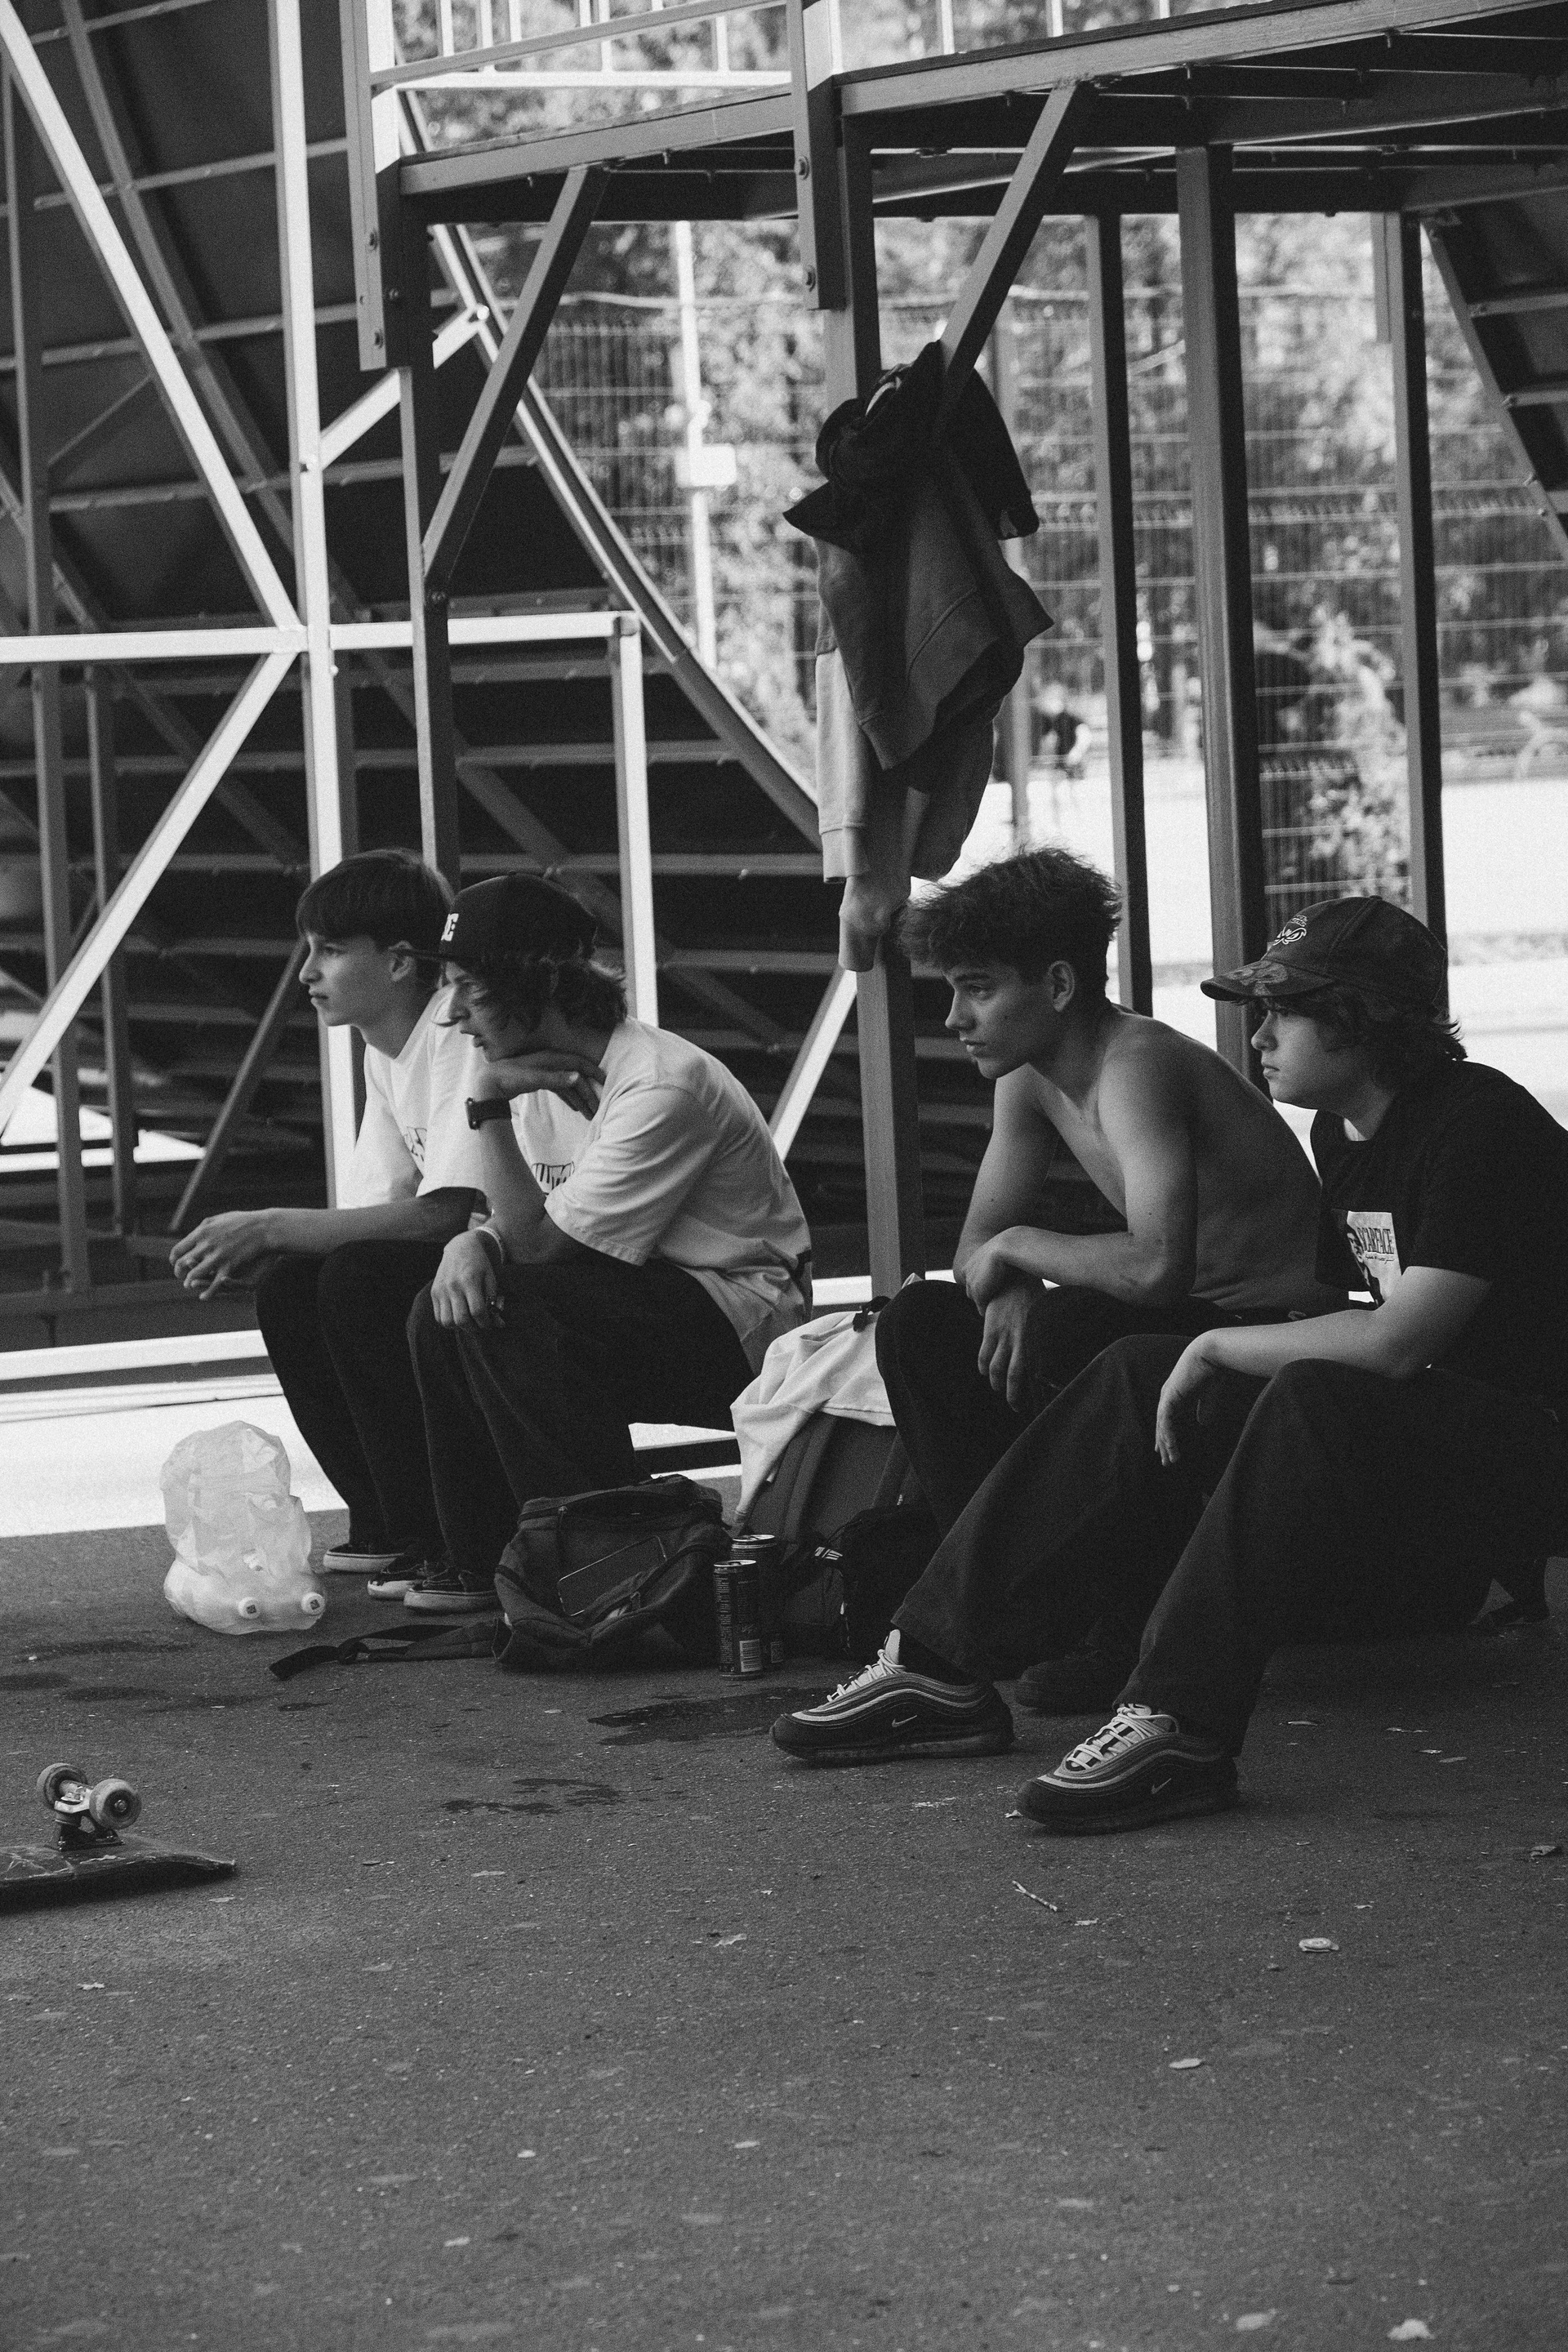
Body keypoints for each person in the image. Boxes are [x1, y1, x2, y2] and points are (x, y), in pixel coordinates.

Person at [773, 898, 1568, 1833]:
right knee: (1136, 1367)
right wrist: (1196, 1358)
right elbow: (1355, 1326)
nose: (1258, 1037)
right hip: (1435, 1443)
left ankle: (1176, 1723)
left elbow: (1398, 1341)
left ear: (1363, 1020)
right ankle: (935, 1665)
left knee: (1299, 1387)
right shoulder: (1342, 1136)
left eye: (1284, 1014)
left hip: (1535, 1456)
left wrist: (1218, 1344)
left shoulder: (1481, 1123)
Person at [874, 845, 1341, 1707]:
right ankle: (1018, 1609)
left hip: (1267, 1333)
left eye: (977, 989)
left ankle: (1115, 1627)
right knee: (921, 1324)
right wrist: (1012, 1278)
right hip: (1181, 1316)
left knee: (1089, 1340)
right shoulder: (1028, 1081)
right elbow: (974, 1254)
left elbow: (1158, 1267)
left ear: (1057, 985)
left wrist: (1022, 1248)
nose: (954, 1018)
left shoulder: (1137, 1065)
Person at [171, 851, 590, 1592]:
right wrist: (283, 1243)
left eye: (330, 950)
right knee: (294, 1285)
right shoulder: (384, 1051)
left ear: (398, 962)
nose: (308, 973)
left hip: (535, 1251)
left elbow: (442, 1216)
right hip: (485, 1250)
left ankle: (437, 1526)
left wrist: (269, 1225)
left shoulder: (456, 1036)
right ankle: (389, 1518)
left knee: (358, 1280)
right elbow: (377, 1208)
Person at [402, 874, 813, 1614]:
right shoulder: (537, 1072)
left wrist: (486, 1107)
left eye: (469, 989)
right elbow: (530, 1225)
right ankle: (485, 1561)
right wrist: (472, 1244)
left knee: (516, 1311)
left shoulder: (659, 1084)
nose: (451, 1015)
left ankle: (607, 1565)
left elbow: (540, 1249)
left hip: (742, 1322)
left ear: (538, 984)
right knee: (444, 1308)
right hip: (634, 1292)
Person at [1034, 679, 1092, 775]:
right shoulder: (1047, 720)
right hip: (1059, 768)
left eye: (1051, 698)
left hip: (1072, 767)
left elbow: (1084, 733)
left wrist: (1076, 752)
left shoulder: (1068, 718)